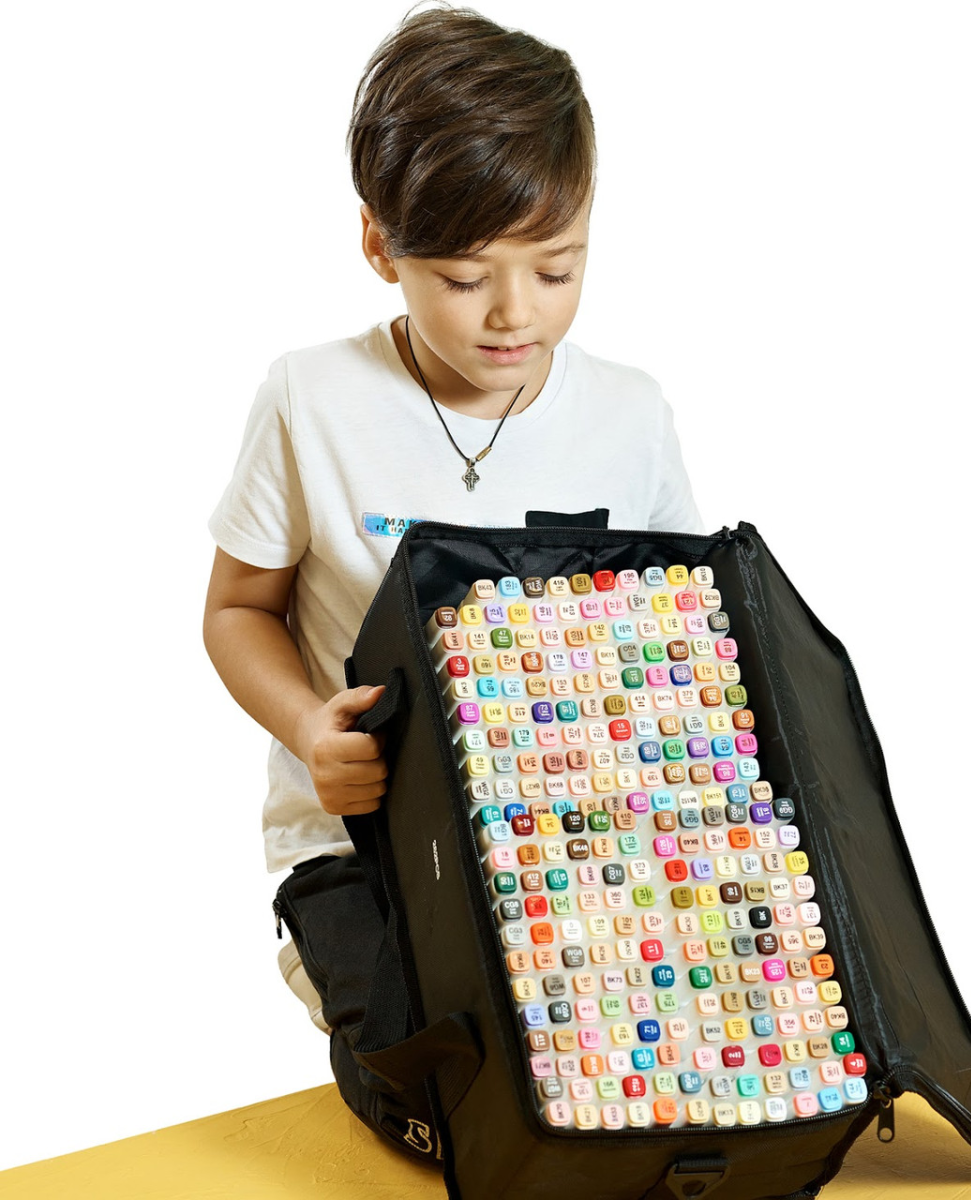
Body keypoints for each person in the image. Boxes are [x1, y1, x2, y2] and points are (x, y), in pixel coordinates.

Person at [203, 4, 705, 1167]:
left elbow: (685, 626)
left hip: (571, 838)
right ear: (380, 244)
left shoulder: (629, 413)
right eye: (465, 276)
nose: (516, 312)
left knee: (651, 1084)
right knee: (459, 1114)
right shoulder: (312, 398)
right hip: (370, 847)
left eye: (557, 267)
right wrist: (307, 727)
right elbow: (236, 610)